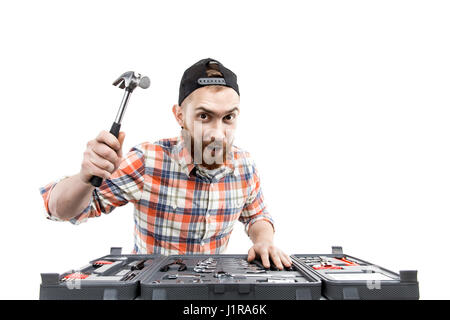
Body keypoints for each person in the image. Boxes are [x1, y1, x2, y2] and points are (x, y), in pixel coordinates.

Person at [39, 58, 292, 270]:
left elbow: (257, 215)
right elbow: (60, 209)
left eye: (228, 118)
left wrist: (264, 240)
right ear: (179, 115)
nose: (217, 133)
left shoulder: (244, 165)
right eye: (204, 116)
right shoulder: (148, 162)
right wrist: (85, 177)